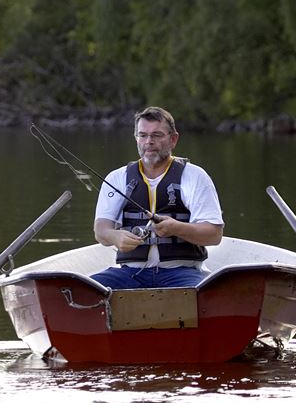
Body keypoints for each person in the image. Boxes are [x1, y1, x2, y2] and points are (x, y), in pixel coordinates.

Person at [91, 106, 224, 289]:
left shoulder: (195, 176)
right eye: (143, 135)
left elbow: (214, 235)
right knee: (82, 289)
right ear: (136, 138)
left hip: (184, 274)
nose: (149, 141)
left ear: (173, 139)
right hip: (128, 274)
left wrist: (176, 228)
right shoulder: (117, 178)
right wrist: (114, 236)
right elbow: (101, 230)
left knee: (208, 292)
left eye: (157, 135)